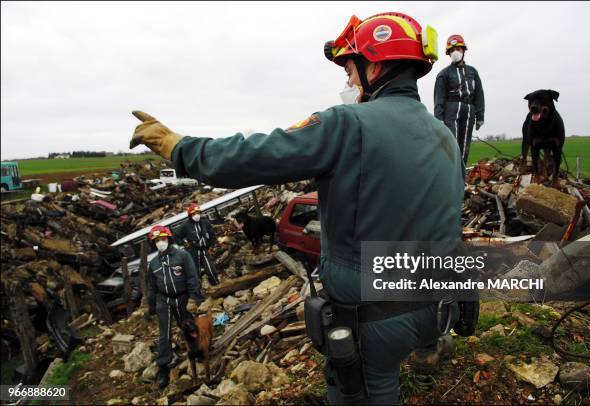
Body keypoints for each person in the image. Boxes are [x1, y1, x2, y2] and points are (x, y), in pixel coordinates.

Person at [130, 12, 463, 404]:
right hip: (436, 307)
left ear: (375, 64)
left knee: (366, 388)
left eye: (350, 70)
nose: (350, 82)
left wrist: (180, 147)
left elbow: (256, 155)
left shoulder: (348, 123)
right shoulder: (446, 136)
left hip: (374, 317)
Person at [146, 225, 202, 389]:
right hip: (165, 300)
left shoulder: (182, 255)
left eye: (163, 239)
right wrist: (150, 305)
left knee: (189, 327)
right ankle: (163, 366)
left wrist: (193, 298)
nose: (160, 242)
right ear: (153, 243)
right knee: (164, 334)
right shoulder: (154, 263)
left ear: (169, 239)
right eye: (157, 240)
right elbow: (152, 286)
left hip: (184, 297)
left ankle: (198, 352)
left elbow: (193, 277)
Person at [434, 34, 485, 165]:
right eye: (451, 50)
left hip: (469, 110)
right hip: (451, 109)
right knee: (452, 144)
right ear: (448, 53)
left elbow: (479, 94)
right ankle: (451, 175)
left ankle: (461, 178)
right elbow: (439, 98)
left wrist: (480, 115)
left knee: (464, 146)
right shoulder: (443, 74)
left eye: (458, 49)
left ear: (463, 50)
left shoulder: (473, 72)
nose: (455, 52)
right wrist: (439, 118)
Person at [175, 203, 220, 286]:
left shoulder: (205, 222)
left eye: (198, 213)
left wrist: (212, 246)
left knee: (211, 270)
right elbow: (176, 236)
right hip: (193, 252)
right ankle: (198, 293)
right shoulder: (185, 225)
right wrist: (184, 244)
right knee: (196, 273)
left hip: (204, 250)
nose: (197, 215)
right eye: (194, 214)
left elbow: (212, 235)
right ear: (190, 215)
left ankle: (217, 286)